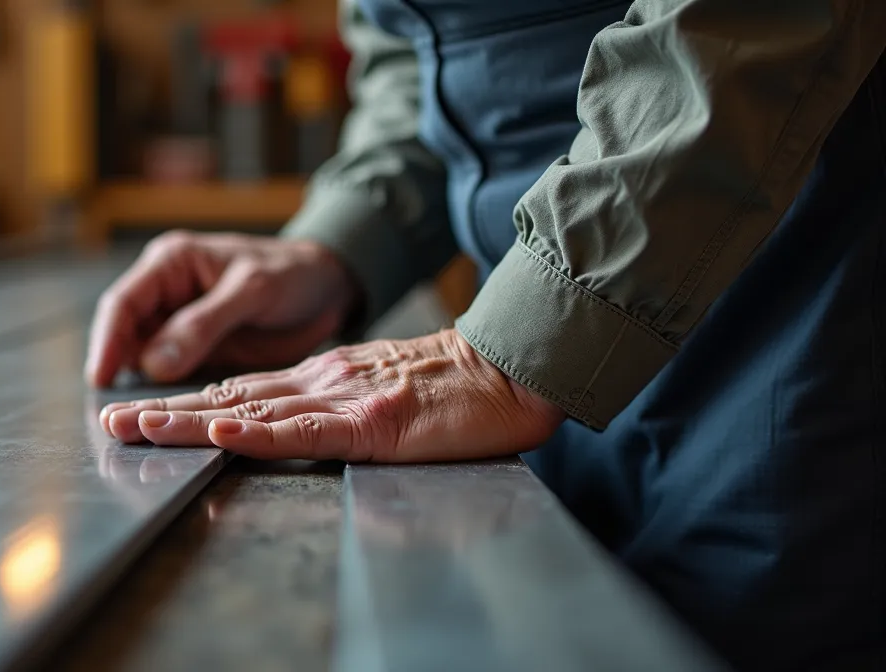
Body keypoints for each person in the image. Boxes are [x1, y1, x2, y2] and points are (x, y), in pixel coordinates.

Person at [88, 0, 886, 668]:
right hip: (534, 334)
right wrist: (345, 242)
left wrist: (521, 341)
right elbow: (421, 46)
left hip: (786, 294)